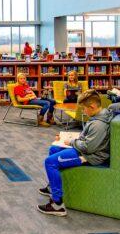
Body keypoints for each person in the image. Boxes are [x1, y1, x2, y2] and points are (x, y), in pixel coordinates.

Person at [38, 89, 113, 217]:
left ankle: (57, 204)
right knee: (53, 148)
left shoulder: (98, 125)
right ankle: (52, 187)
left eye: (84, 109)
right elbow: (87, 139)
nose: (83, 112)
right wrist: (66, 139)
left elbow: (89, 148)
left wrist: (72, 142)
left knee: (50, 162)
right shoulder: (99, 116)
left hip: (90, 157)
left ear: (92, 106)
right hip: (85, 149)